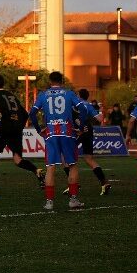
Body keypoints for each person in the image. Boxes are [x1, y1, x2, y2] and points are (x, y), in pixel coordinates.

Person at [0, 74, 44, 197]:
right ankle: (36, 170)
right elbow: (24, 113)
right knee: (18, 160)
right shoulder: (11, 95)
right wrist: (20, 126)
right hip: (16, 129)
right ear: (3, 84)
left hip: (5, 127)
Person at [28, 71, 84, 211]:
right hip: (67, 133)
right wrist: (80, 127)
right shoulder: (69, 93)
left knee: (50, 168)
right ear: (62, 81)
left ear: (50, 81)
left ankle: (49, 202)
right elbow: (82, 108)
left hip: (51, 134)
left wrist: (38, 129)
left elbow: (32, 113)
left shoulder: (43, 95)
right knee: (72, 165)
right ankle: (73, 200)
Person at [59, 88, 110, 196]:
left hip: (78, 131)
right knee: (89, 158)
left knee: (64, 156)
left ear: (78, 95)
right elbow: (100, 119)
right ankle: (104, 183)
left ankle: (73, 184)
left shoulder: (73, 103)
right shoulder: (89, 105)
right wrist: (101, 110)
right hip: (89, 130)